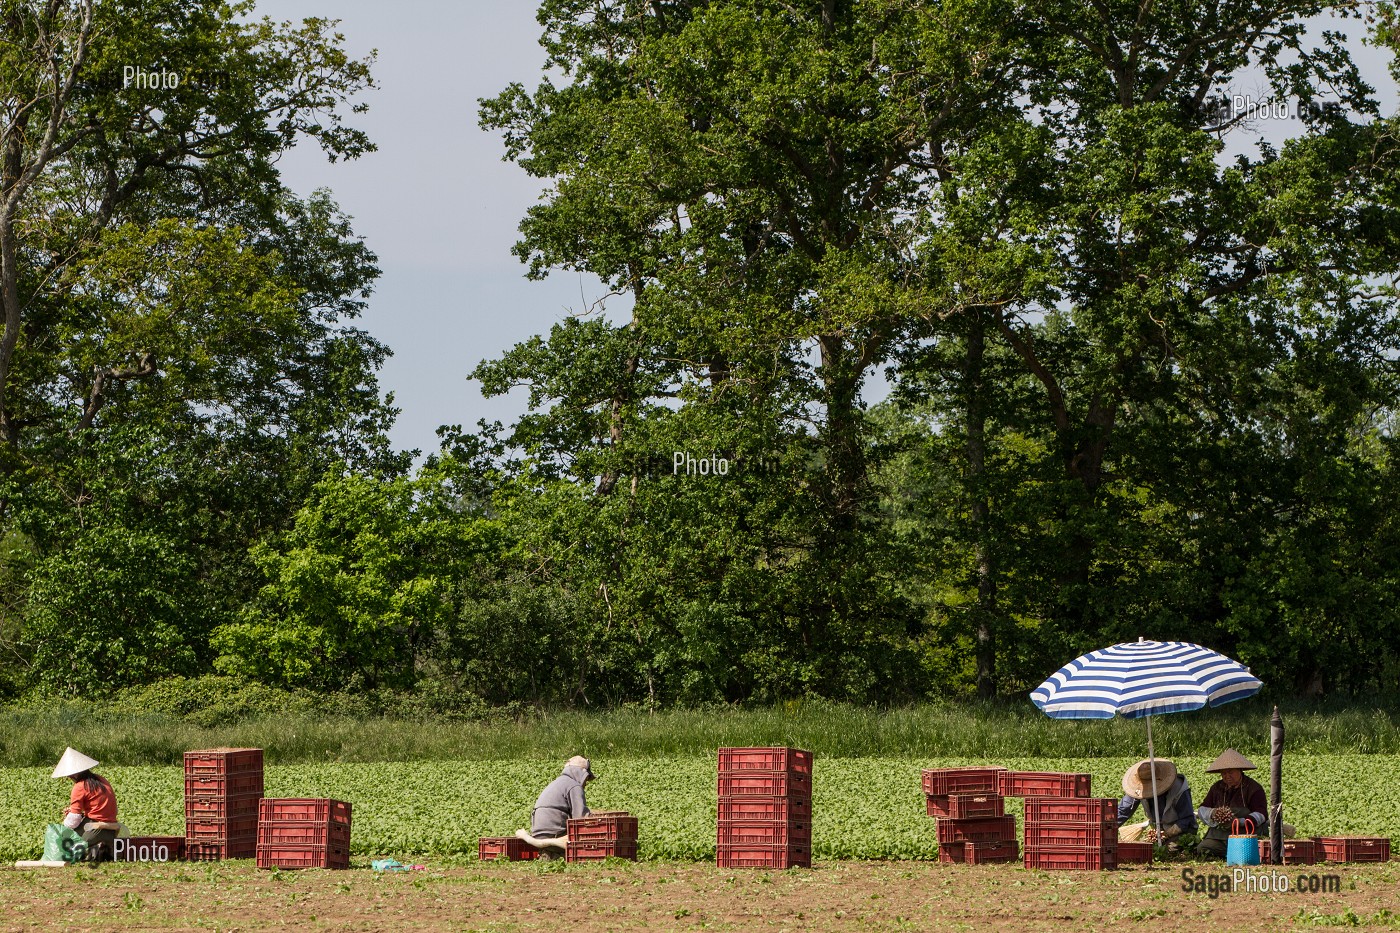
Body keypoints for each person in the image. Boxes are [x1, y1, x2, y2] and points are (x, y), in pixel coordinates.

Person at [1196, 748, 1276, 858]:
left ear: (1240, 770)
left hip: (1246, 836)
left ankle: (1235, 854)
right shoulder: (1216, 788)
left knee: (1244, 854)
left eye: (1230, 772)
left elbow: (1261, 814)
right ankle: (1230, 854)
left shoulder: (1254, 788)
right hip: (1220, 837)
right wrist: (1213, 813)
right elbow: (1202, 808)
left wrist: (1240, 822)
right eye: (1223, 773)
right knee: (1203, 849)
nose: (1227, 776)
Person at [52, 747, 121, 862]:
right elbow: (99, 806)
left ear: (73, 774)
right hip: (111, 829)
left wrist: (65, 825)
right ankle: (103, 848)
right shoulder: (100, 779)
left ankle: (93, 849)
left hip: (93, 829)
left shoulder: (79, 786)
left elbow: (73, 821)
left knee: (65, 845)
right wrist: (77, 812)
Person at [516, 755, 595, 855]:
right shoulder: (574, 786)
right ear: (581, 773)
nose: (585, 784)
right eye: (586, 779)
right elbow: (580, 819)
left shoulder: (556, 783)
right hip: (556, 836)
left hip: (538, 836)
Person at [1116, 758, 1197, 845]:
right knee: (1148, 849)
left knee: (1169, 850)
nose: (1148, 789)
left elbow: (1186, 819)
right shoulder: (1138, 789)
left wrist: (1167, 834)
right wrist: (1107, 827)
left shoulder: (1178, 788)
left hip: (1180, 831)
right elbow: (1123, 811)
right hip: (1158, 829)